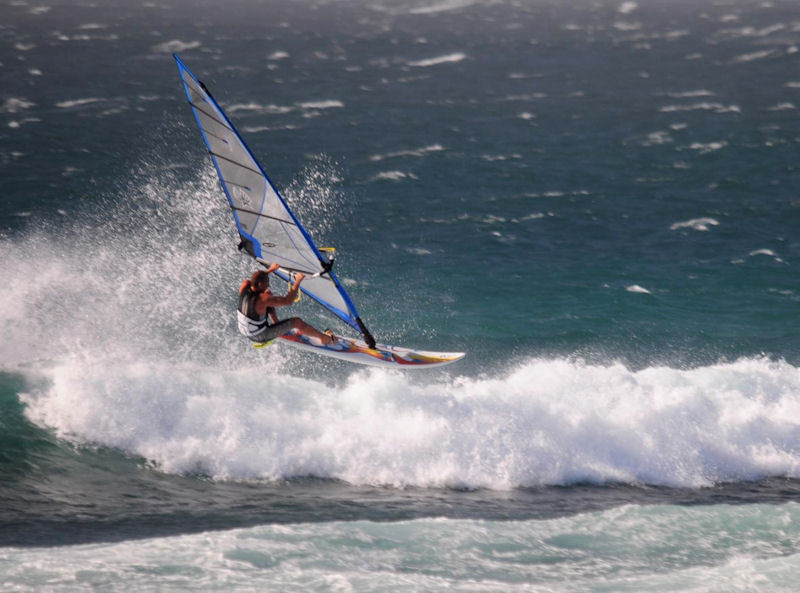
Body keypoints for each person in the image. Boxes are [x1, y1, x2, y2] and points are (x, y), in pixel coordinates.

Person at [237, 263, 335, 345]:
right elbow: (288, 301)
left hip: (244, 329)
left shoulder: (245, 285)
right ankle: (325, 339)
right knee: (296, 322)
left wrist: (270, 270)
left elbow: (256, 279)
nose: (269, 285)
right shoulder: (262, 299)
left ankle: (276, 323)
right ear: (260, 284)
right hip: (259, 335)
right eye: (267, 283)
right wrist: (298, 281)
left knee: (268, 293)